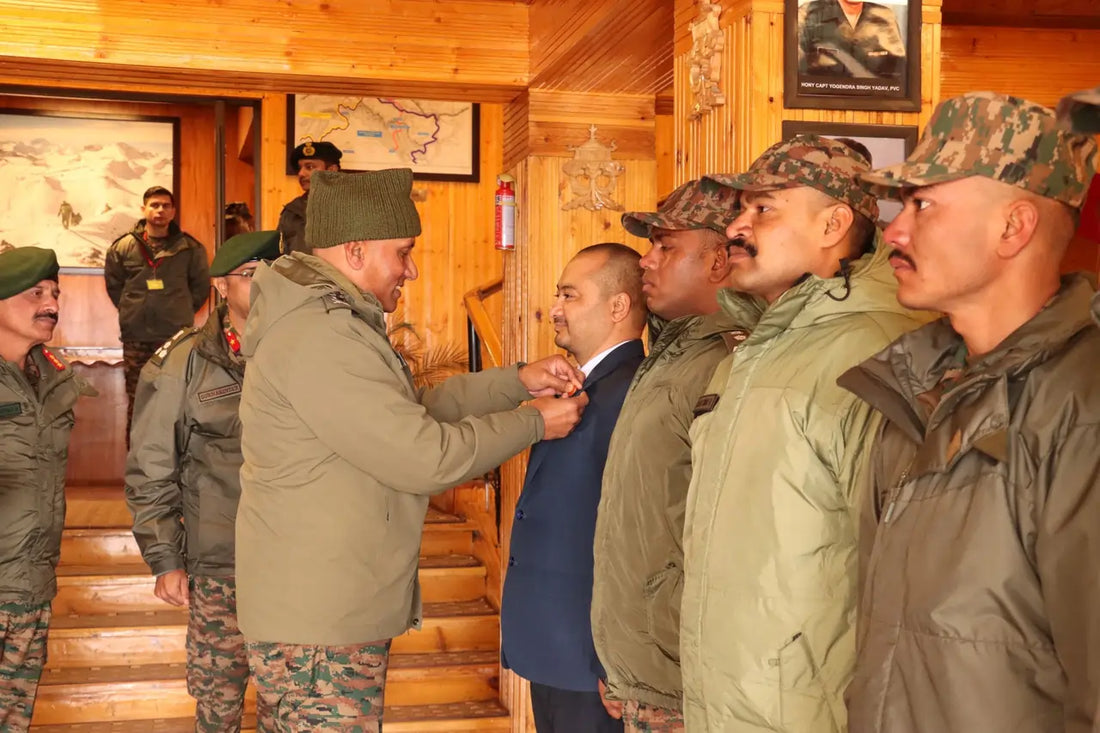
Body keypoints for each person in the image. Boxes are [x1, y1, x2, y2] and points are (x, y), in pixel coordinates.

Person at [236, 168, 589, 731]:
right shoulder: (321, 334)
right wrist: (532, 424)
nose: (412, 269)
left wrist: (516, 381)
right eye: (402, 252)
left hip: (324, 608)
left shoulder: (331, 322)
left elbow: (412, 411)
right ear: (355, 251)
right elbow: (425, 456)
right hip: (321, 622)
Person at [838, 91, 1100, 732]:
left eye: (923, 205)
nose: (894, 231)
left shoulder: (1080, 402)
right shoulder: (913, 391)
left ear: (1013, 227)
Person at [680, 135, 926, 732]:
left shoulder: (877, 353)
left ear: (833, 225)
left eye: (763, 208)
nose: (735, 228)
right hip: (723, 703)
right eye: (741, 210)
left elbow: (906, 576)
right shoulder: (750, 352)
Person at [590, 179, 758, 733]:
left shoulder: (730, 360)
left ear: (718, 261)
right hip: (649, 667)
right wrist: (624, 661)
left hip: (687, 676)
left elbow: (733, 537)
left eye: (666, 247)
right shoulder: (674, 353)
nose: (646, 260)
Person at [125, 231, 282, 733]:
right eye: (251, 274)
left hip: (295, 566)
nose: (266, 284)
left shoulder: (301, 353)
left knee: (291, 708)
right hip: (220, 566)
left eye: (274, 273)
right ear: (219, 286)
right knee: (219, 708)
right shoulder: (185, 360)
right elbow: (151, 464)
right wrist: (165, 558)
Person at [501, 243, 647, 733]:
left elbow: (633, 533)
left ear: (618, 306)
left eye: (569, 295)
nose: (555, 309)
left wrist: (615, 653)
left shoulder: (630, 390)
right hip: (556, 646)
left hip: (591, 654)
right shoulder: (587, 385)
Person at [0, 247, 92, 732]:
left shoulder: (51, 377)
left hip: (31, 587)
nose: (51, 304)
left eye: (54, 293)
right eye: (35, 293)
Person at [103, 185, 210, 443]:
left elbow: (200, 288)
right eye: (154, 205)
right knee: (137, 401)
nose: (160, 210)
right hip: (136, 338)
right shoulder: (123, 247)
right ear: (144, 209)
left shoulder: (190, 248)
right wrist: (133, 309)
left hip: (175, 339)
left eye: (165, 206)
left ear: (173, 211)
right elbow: (115, 287)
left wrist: (178, 310)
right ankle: (137, 463)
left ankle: (174, 464)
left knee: (176, 399)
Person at [798, 0, 906, 79]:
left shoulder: (884, 16)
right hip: (821, 99)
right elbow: (797, 74)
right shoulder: (808, 14)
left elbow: (898, 74)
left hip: (874, 99)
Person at [277, 141, 342, 254]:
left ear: (331, 170)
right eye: (299, 168)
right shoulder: (291, 211)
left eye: (310, 167)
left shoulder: (351, 206)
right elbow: (279, 254)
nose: (301, 173)